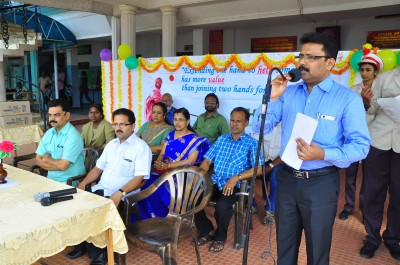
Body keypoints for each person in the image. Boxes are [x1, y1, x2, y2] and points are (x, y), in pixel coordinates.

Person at [254, 32, 371, 264]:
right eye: (301, 56)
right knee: (284, 249)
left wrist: (324, 153)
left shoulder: (347, 99)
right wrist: (272, 98)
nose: (302, 63)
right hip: (286, 180)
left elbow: (361, 146)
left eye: (311, 57)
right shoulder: (288, 93)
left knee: (317, 252)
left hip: (321, 184)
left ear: (329, 63)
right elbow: (259, 127)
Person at [68, 108, 152, 264]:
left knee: (96, 211)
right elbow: (97, 168)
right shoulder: (112, 144)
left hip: (124, 194)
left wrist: (120, 192)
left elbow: (139, 178)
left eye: (123, 124)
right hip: (102, 188)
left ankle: (99, 255)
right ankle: (81, 245)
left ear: (132, 126)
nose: (118, 128)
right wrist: (84, 183)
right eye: (116, 124)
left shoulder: (141, 148)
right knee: (77, 203)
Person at [194, 107, 263, 253]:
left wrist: (236, 178)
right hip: (215, 180)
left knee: (221, 206)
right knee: (193, 199)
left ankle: (220, 236)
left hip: (236, 184)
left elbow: (259, 169)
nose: (234, 124)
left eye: (239, 121)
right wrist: (198, 176)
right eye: (232, 120)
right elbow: (207, 161)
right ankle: (207, 231)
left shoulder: (251, 143)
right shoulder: (222, 139)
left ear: (246, 123)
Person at [137, 108, 210, 220]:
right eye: (175, 119)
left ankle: (165, 218)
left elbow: (190, 161)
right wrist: (158, 161)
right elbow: (162, 153)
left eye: (180, 120)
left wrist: (168, 166)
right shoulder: (170, 135)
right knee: (145, 182)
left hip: (181, 173)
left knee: (161, 188)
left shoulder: (195, 140)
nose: (177, 122)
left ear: (187, 122)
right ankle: (147, 218)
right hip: (162, 169)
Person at [360, 66, 400, 261]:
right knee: (373, 192)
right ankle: (372, 238)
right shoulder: (384, 77)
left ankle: (393, 239)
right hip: (379, 141)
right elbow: (374, 108)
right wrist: (367, 102)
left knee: (399, 196)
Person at [338, 51, 383, 221]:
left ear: (375, 72)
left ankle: (365, 209)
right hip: (352, 139)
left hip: (375, 141)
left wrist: (367, 104)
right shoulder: (352, 90)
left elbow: (380, 115)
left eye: (368, 70)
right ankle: (348, 206)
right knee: (350, 176)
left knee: (368, 178)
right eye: (362, 70)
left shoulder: (381, 90)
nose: (364, 73)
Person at [35, 99, 85, 183]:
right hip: (50, 179)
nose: (52, 118)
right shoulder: (49, 133)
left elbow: (63, 165)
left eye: (56, 115)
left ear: (67, 115)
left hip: (69, 182)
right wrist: (57, 164)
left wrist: (47, 158)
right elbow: (38, 160)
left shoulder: (73, 136)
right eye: (50, 115)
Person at [252, 106, 283, 225]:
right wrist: (257, 163)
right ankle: (252, 204)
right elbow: (254, 145)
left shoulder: (288, 127)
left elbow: (286, 153)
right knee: (245, 172)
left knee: (276, 177)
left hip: (278, 161)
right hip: (261, 159)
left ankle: (270, 210)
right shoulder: (262, 125)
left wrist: (270, 166)